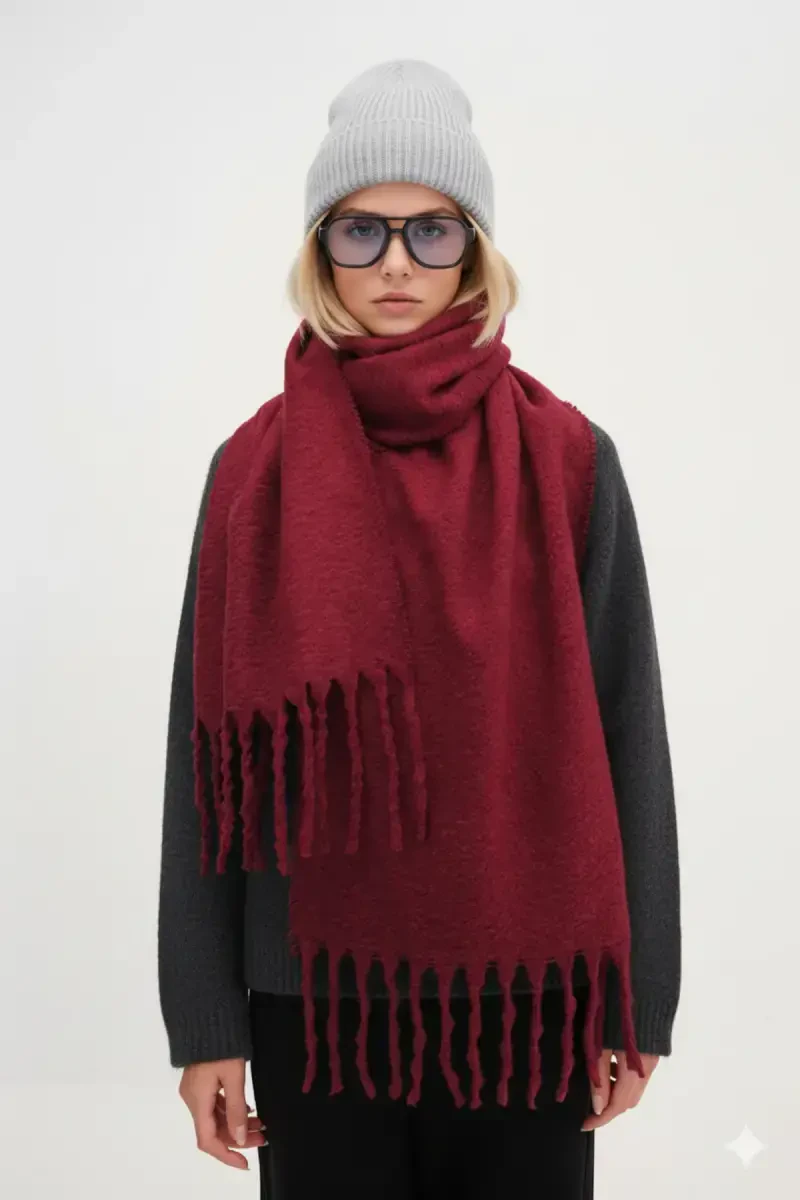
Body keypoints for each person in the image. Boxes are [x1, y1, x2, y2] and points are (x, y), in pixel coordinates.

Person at [158, 59, 681, 1199]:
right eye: (361, 231)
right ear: (320, 252)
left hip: (531, 994)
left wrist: (639, 999)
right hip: (310, 1000)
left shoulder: (570, 459)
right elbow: (203, 769)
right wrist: (203, 1022)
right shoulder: (250, 474)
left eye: (431, 231)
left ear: (474, 250)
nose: (396, 263)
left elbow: (626, 727)